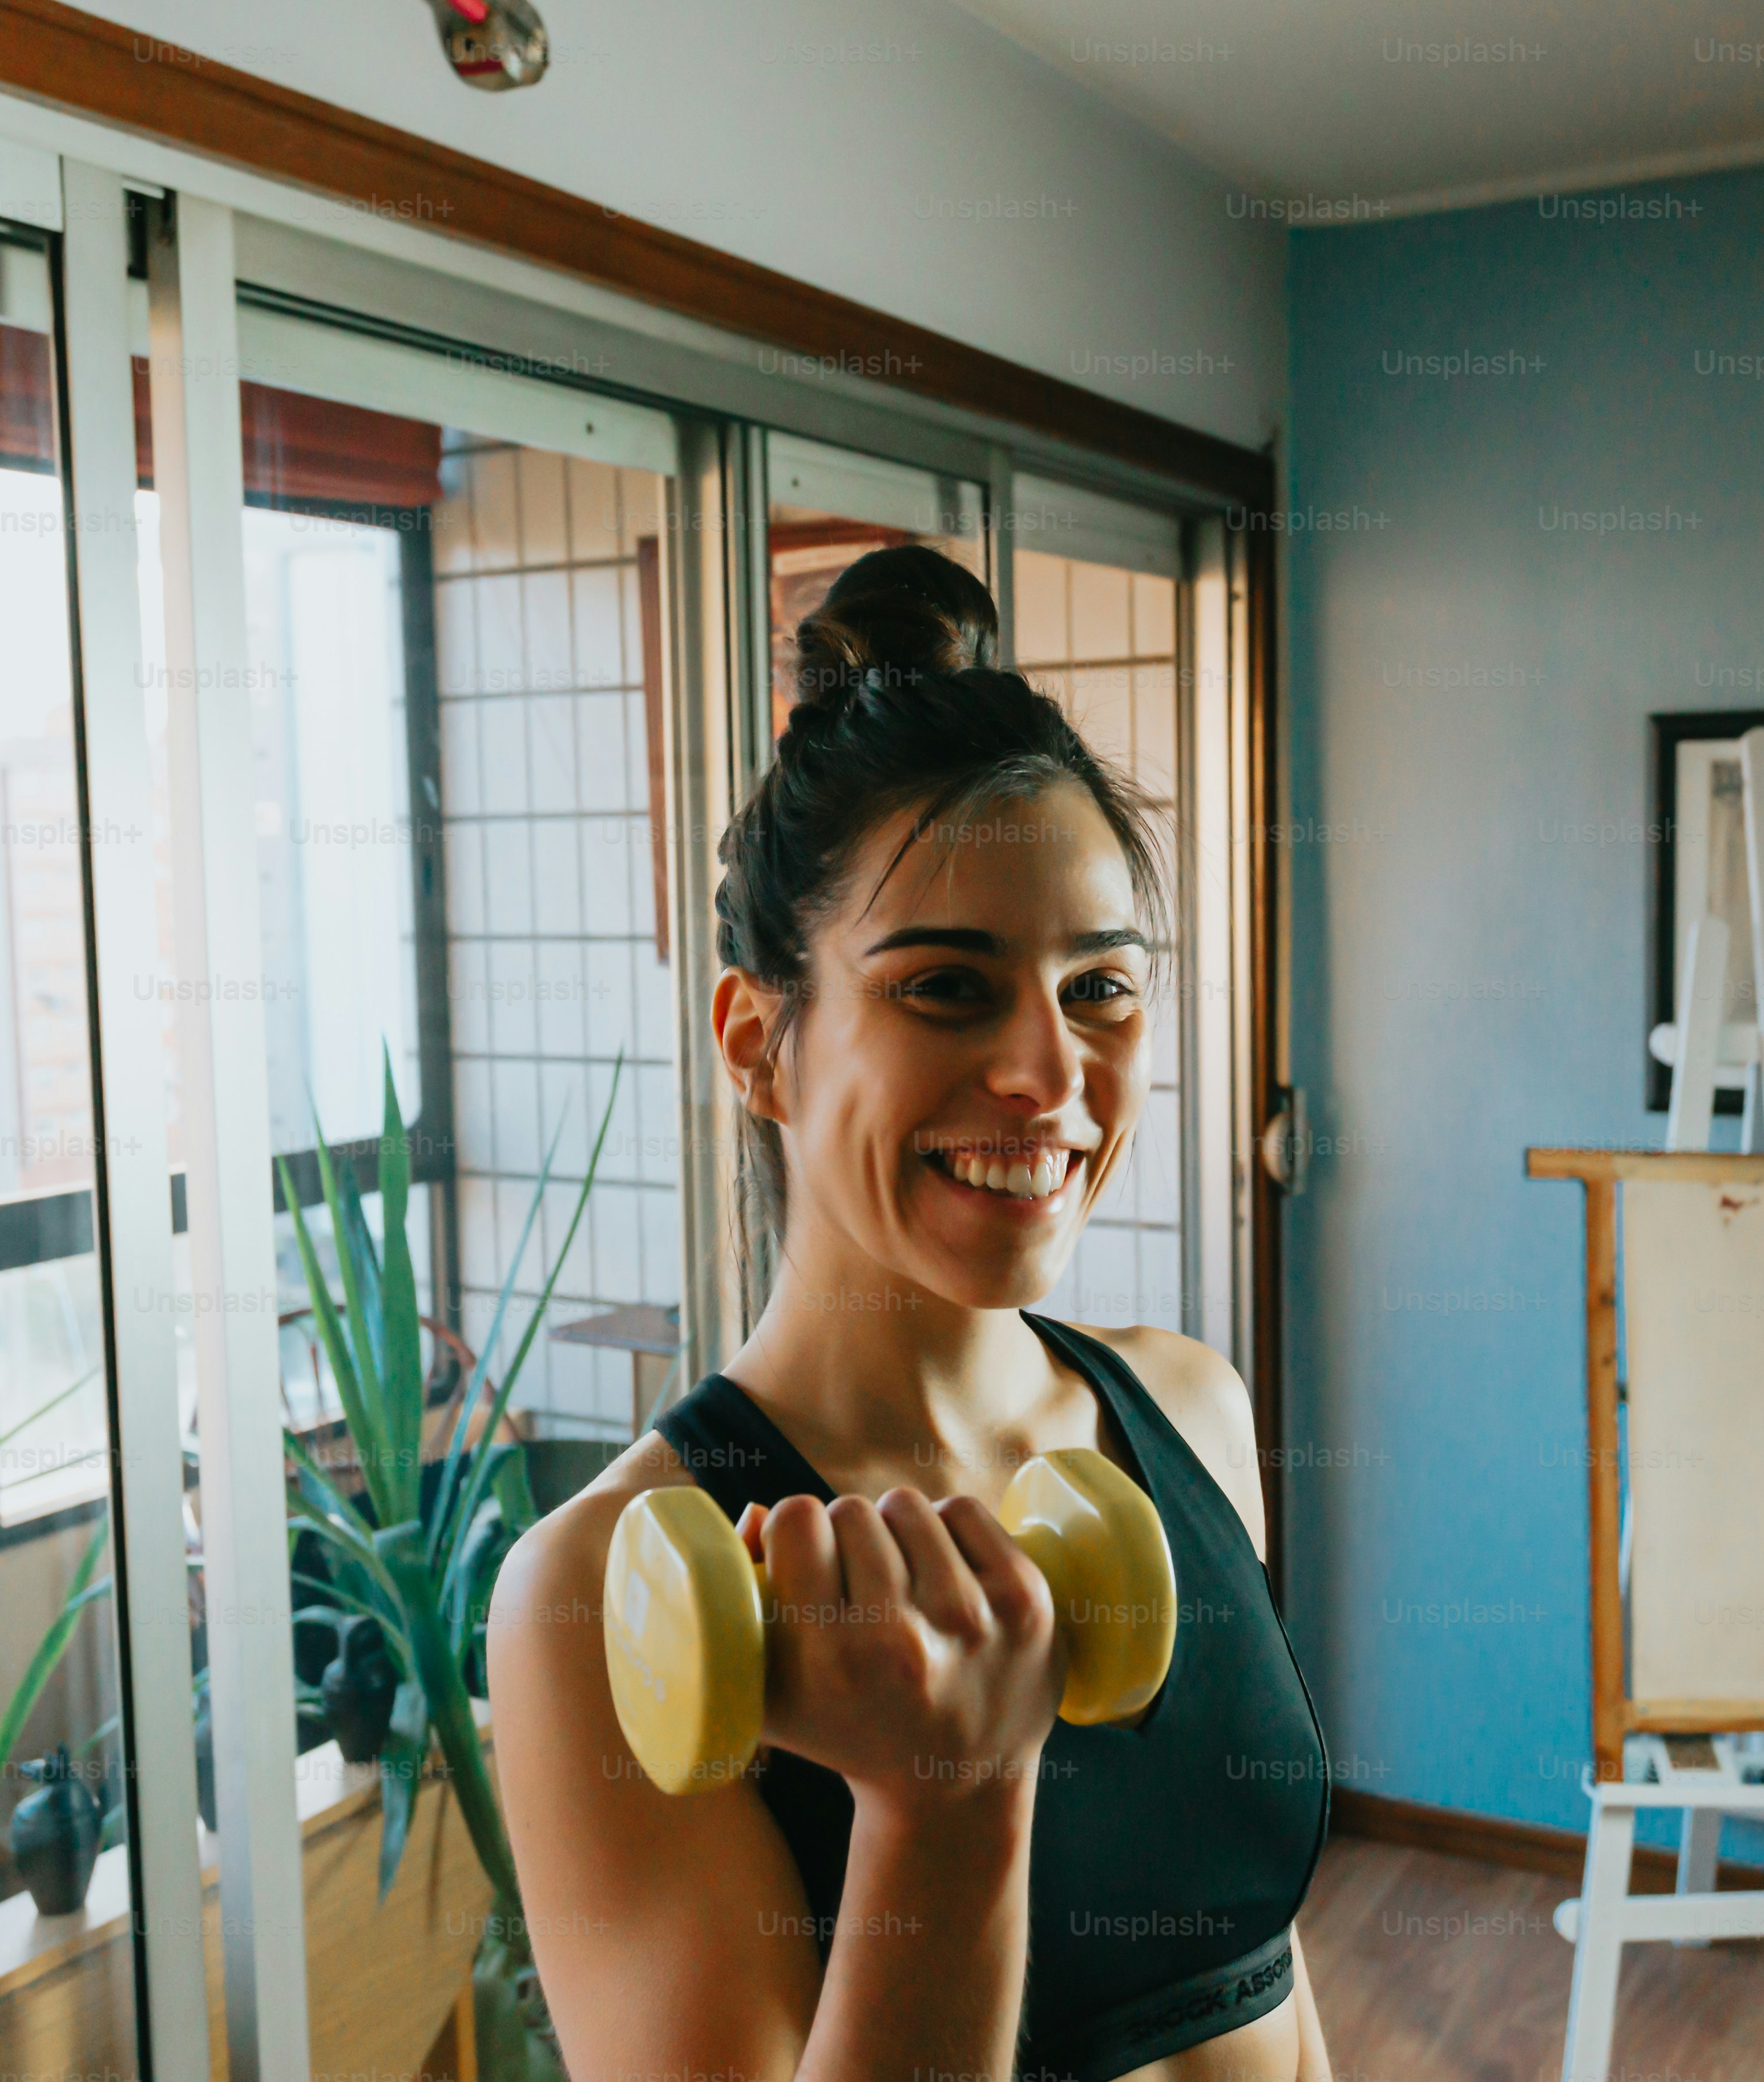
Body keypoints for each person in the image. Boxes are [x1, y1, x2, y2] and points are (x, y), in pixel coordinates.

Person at [492, 546, 1332, 2082]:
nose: (1053, 1075)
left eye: (1099, 989)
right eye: (947, 987)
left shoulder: (1192, 1409)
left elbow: (1270, 1982)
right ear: (758, 1042)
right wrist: (944, 1803)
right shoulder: (597, 1597)